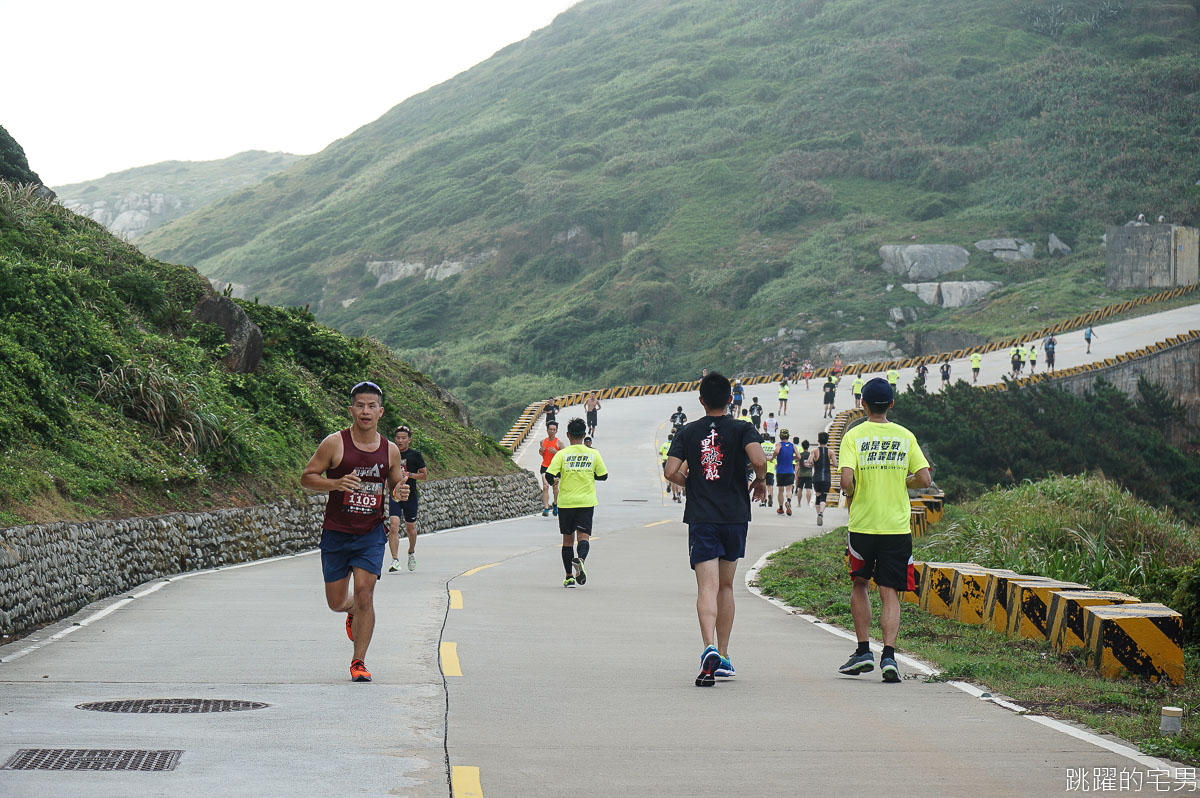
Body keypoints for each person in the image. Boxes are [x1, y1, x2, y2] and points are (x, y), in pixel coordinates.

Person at [301, 381, 410, 683]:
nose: (365, 411)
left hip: (370, 534)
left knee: (365, 594)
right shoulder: (334, 444)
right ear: (351, 410)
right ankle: (351, 611)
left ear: (380, 411)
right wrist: (334, 484)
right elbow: (307, 477)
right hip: (336, 533)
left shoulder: (390, 450)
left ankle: (359, 661)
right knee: (337, 602)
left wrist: (399, 491)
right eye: (360, 405)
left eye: (371, 406)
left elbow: (395, 483)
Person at [664, 372, 766, 686]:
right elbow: (759, 460)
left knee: (705, 588)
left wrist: (690, 483)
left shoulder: (688, 431)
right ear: (731, 400)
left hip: (702, 517)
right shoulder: (743, 428)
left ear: (701, 400)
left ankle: (708, 646)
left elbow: (670, 471)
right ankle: (723, 654)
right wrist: (759, 480)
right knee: (725, 587)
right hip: (734, 517)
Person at [836, 378, 931, 683]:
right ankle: (889, 656)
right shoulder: (905, 436)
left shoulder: (854, 436)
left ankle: (863, 650)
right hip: (896, 526)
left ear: (862, 404)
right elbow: (924, 478)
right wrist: (904, 482)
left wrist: (851, 495)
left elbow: (847, 481)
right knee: (890, 591)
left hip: (863, 524)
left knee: (860, 583)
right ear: (891, 404)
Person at [546, 418, 608, 588]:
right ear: (584, 435)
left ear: (568, 435)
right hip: (586, 502)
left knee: (567, 540)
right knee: (583, 537)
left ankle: (568, 577)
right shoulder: (593, 453)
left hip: (566, 503)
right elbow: (603, 475)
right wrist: (588, 474)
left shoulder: (561, 454)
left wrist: (556, 481)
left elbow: (549, 475)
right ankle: (580, 560)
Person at [387, 425, 427, 573]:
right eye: (398, 438)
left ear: (409, 440)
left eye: (404, 438)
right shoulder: (390, 454)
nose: (400, 440)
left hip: (410, 496)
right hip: (395, 495)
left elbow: (424, 475)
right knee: (394, 525)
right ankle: (395, 560)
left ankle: (411, 552)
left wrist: (409, 475)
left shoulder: (415, 455)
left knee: (411, 529)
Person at [806, 431, 837, 527]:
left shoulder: (814, 451)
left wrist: (813, 463)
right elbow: (836, 464)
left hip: (817, 477)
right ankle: (821, 513)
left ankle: (818, 514)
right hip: (826, 477)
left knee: (818, 496)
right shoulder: (830, 452)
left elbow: (809, 461)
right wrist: (829, 463)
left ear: (818, 440)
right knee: (824, 496)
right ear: (827, 441)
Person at [538, 422, 564, 517]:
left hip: (555, 468)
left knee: (555, 488)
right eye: (550, 429)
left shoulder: (559, 443)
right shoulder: (542, 441)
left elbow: (564, 456)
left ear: (556, 431)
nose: (552, 431)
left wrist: (556, 452)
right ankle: (545, 508)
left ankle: (555, 503)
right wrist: (541, 451)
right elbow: (541, 453)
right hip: (545, 466)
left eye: (554, 429)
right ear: (547, 430)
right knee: (545, 486)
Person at [773, 429, 797, 516]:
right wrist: (792, 458)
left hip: (780, 471)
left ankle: (780, 508)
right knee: (789, 489)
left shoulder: (779, 444)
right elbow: (798, 456)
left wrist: (773, 457)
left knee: (780, 490)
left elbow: (776, 451)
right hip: (790, 470)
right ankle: (788, 501)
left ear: (780, 436)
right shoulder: (792, 446)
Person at [796, 439, 814, 509]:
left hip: (801, 474)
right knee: (808, 489)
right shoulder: (810, 454)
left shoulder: (800, 455)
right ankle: (808, 503)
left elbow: (797, 465)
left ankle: (799, 503)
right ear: (808, 446)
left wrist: (796, 474)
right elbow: (813, 464)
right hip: (809, 474)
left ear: (802, 447)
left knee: (800, 488)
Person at [760, 434, 776, 508]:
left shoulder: (761, 445)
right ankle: (770, 495)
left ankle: (763, 501)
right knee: (770, 485)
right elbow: (775, 456)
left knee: (762, 484)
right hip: (771, 467)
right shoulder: (773, 446)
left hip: (762, 467)